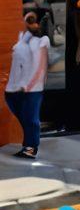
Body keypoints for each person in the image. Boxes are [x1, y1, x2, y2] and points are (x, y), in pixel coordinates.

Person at [5, 11, 50, 159]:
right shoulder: (23, 38)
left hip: (31, 87)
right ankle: (29, 144)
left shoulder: (42, 40)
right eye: (28, 20)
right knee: (23, 115)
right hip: (15, 86)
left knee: (31, 117)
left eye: (33, 20)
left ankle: (31, 148)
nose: (31, 23)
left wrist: (31, 84)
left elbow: (41, 65)